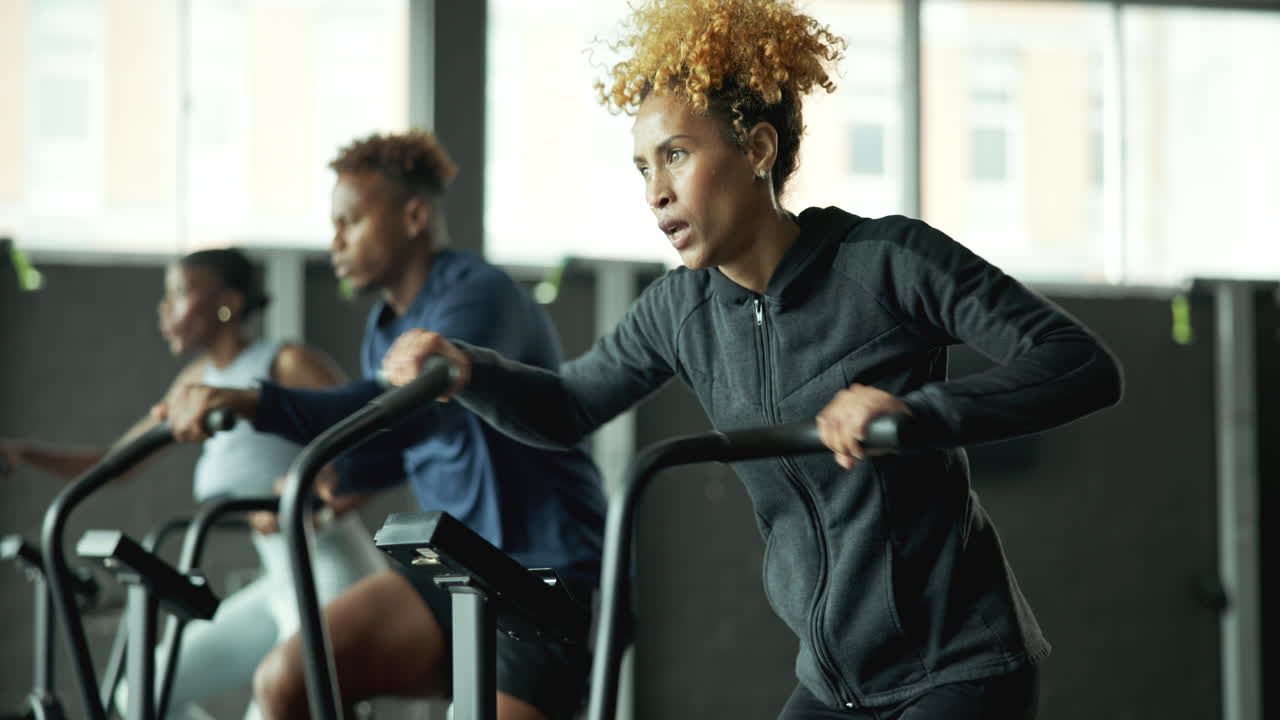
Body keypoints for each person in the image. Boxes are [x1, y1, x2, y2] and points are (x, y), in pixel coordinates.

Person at [379, 2, 1125, 719]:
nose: (656, 192)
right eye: (642, 167)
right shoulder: (681, 308)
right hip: (837, 684)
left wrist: (916, 415)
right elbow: (568, 405)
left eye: (676, 155)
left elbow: (1076, 362)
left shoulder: (887, 261)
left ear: (759, 149)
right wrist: (469, 368)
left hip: (958, 667)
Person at [160, 131, 606, 720]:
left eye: (351, 222)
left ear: (414, 216)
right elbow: (408, 444)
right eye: (333, 224)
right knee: (287, 680)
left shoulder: (478, 296)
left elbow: (407, 412)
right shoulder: (385, 326)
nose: (335, 241)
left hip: (539, 573)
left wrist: (253, 401)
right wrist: (329, 483)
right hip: (451, 566)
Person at [0, 248, 387, 720]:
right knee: (141, 691)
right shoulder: (197, 382)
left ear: (228, 302)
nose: (166, 310)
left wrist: (303, 499)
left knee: (280, 706)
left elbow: (371, 446)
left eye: (180, 293)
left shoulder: (285, 362)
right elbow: (116, 464)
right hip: (277, 580)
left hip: (330, 572)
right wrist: (24, 453)